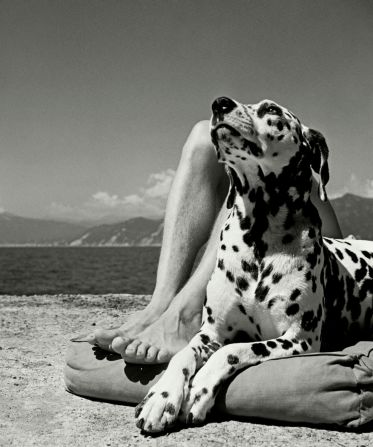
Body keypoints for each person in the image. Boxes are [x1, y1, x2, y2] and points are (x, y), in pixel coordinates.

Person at [80, 119, 343, 364]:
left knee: (249, 163)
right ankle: (161, 305)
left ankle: (189, 314)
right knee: (202, 136)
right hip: (282, 238)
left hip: (324, 260)